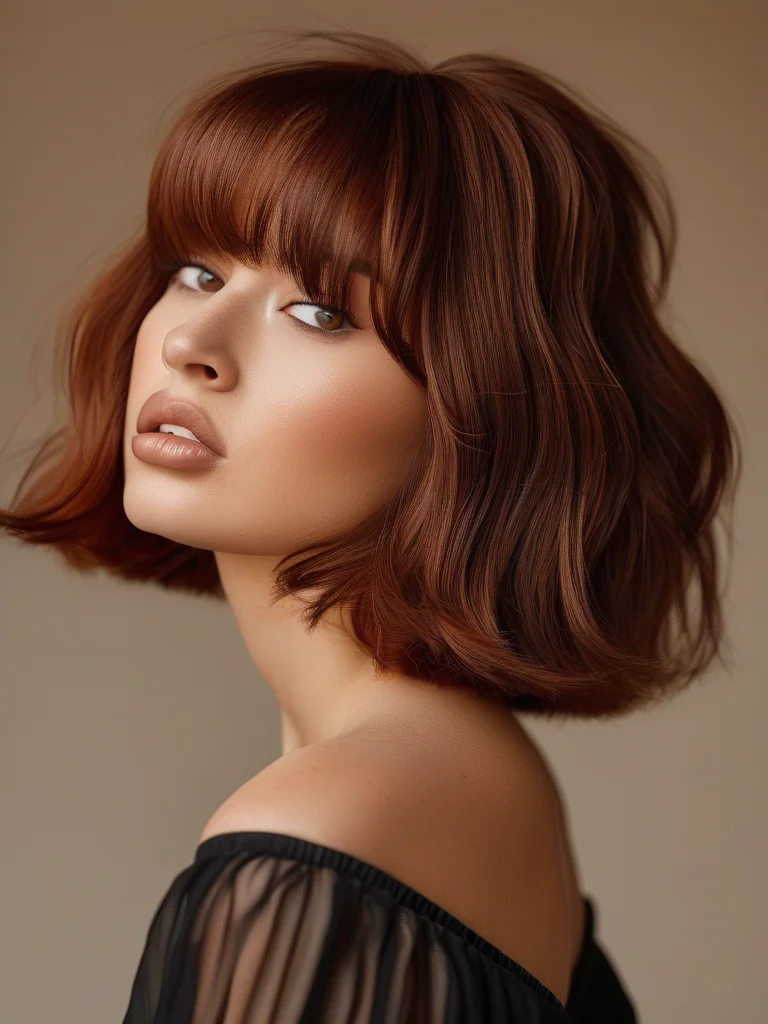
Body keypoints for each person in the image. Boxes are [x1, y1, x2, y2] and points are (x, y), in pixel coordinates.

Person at [0, 27, 740, 1023]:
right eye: (198, 271)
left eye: (321, 313)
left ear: (479, 410)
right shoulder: (465, 776)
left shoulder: (326, 837)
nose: (191, 344)